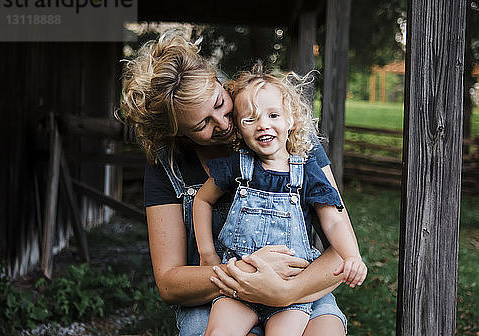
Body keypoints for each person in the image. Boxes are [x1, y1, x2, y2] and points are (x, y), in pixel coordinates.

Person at [119, 29, 355, 336]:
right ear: (178, 133)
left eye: (219, 102)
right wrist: (241, 271)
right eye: (202, 124)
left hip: (300, 288)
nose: (223, 123)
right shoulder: (169, 163)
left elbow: (341, 245)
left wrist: (284, 292)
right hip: (219, 294)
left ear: (218, 80)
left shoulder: (286, 135)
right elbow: (169, 283)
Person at [193, 65, 367, 336]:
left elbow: (333, 218)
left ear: (292, 120)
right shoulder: (238, 167)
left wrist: (352, 255)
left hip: (290, 287)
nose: (263, 124)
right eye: (250, 119)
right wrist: (208, 255)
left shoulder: (307, 171)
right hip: (240, 286)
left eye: (273, 115)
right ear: (238, 129)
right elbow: (201, 201)